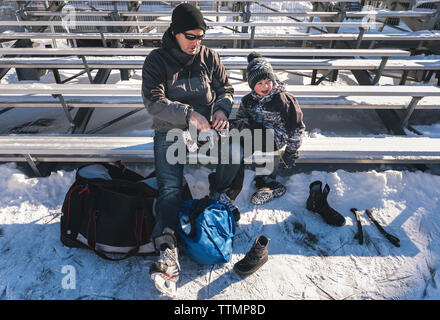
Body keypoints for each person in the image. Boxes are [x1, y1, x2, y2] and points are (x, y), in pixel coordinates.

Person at [141, 3, 242, 296]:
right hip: (170, 129)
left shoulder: (209, 56)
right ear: (174, 33)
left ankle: (219, 197)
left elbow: (226, 89)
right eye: (190, 36)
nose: (196, 42)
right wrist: (188, 115)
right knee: (170, 189)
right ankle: (167, 248)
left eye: (200, 36)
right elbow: (153, 101)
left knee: (236, 147)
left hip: (208, 126)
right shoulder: (157, 60)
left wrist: (222, 110)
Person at [234, 52, 306, 205]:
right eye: (259, 83)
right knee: (233, 129)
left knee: (245, 132)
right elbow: (241, 118)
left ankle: (267, 182)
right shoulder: (248, 100)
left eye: (268, 81)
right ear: (252, 85)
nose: (265, 86)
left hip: (275, 138)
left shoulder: (283, 99)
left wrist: (291, 152)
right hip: (255, 134)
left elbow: (296, 128)